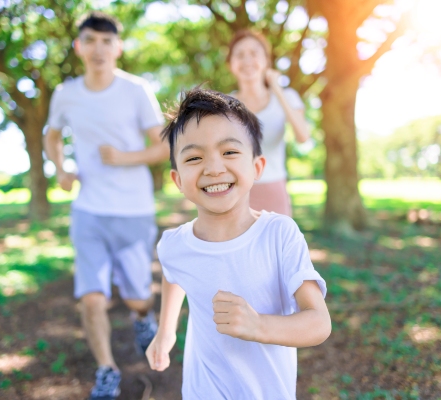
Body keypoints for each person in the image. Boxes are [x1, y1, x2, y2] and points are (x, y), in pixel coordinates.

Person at [145, 88, 330, 399]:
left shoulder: (278, 234)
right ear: (178, 180)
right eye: (194, 157)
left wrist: (259, 326)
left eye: (229, 152)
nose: (214, 168)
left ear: (257, 167)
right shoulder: (174, 244)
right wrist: (165, 332)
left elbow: (319, 323)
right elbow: (173, 272)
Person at [43, 12, 168, 400]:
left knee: (137, 295)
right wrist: (61, 169)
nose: (98, 48)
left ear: (118, 48)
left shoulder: (136, 90)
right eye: (90, 40)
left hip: (134, 210)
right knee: (92, 296)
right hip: (89, 211)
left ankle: (142, 316)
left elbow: (164, 146)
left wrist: (123, 157)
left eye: (106, 41)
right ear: (79, 47)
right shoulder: (66, 93)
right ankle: (106, 370)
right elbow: (51, 135)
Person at [227, 29, 311, 216]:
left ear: (266, 60)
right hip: (234, 194)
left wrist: (277, 89)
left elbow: (303, 136)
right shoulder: (224, 104)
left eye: (254, 53)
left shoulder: (287, 97)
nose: (247, 60)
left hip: (274, 190)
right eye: (240, 55)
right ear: (230, 64)